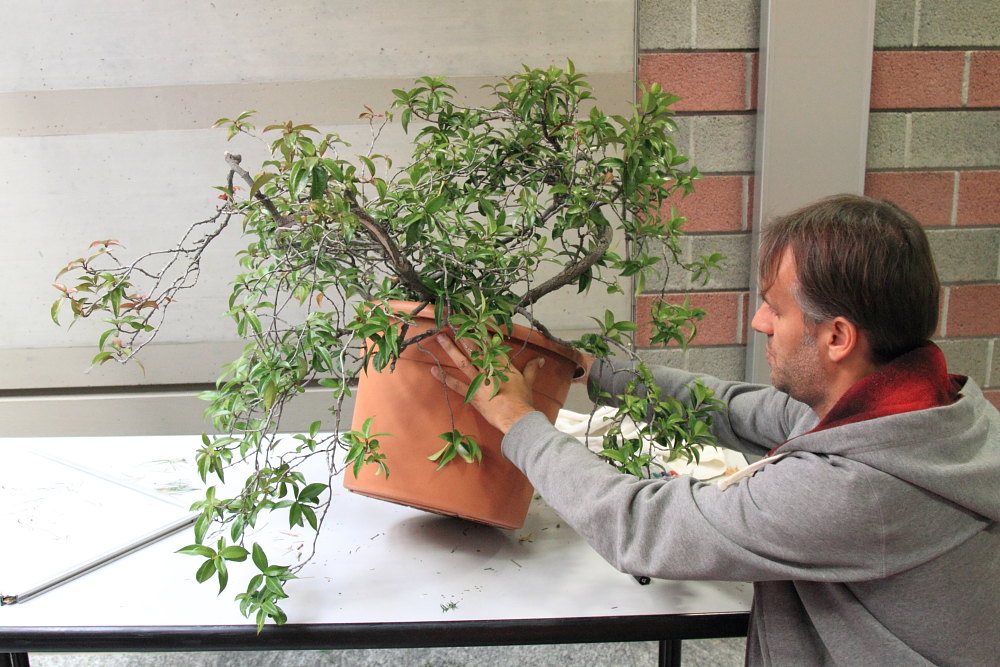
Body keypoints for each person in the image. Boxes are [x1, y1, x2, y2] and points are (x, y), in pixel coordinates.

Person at [432, 194, 1000, 666]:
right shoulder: (928, 411)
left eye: (776, 309)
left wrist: (517, 421)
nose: (758, 322)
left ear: (837, 337)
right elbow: (728, 408)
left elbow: (641, 528)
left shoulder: (856, 490)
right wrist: (588, 369)